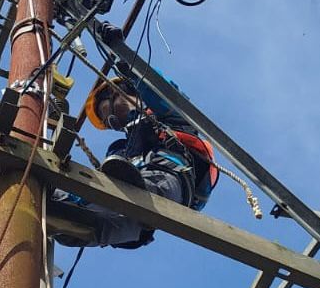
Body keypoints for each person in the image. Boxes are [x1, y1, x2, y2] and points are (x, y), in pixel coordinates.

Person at [53, 76, 217, 248]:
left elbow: (159, 89)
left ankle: (65, 206)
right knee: (85, 227)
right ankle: (60, 215)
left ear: (120, 92)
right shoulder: (123, 148)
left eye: (110, 114)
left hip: (165, 181)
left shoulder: (168, 118)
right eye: (109, 121)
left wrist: (132, 69)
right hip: (137, 216)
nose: (114, 123)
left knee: (124, 195)